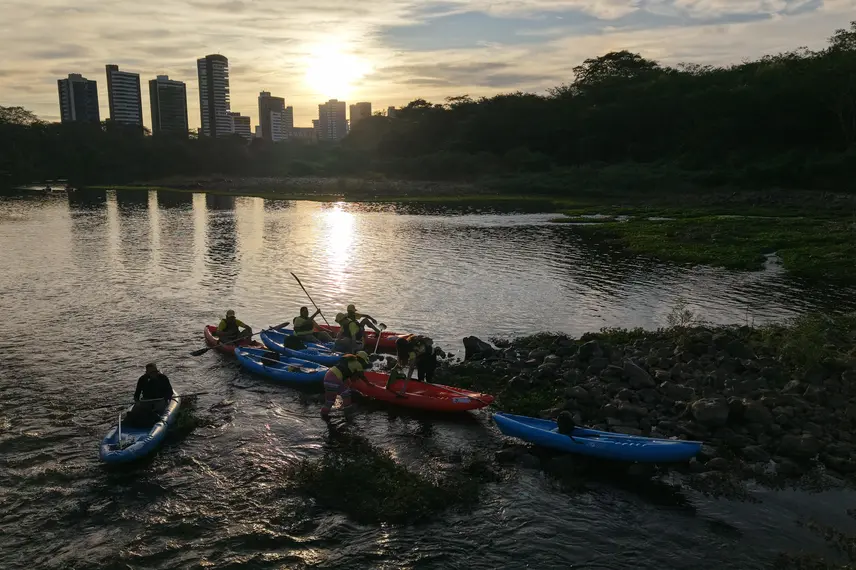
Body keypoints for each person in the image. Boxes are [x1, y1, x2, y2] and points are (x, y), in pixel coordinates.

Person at [321, 351, 371, 419]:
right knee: (331, 400)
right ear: (362, 360)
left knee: (345, 394)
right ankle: (325, 416)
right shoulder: (358, 364)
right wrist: (368, 383)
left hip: (330, 376)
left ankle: (346, 412)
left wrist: (349, 385)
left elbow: (346, 377)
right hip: (333, 379)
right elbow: (362, 376)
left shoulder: (350, 360)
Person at [124, 363, 175, 428]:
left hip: (160, 399)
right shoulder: (142, 379)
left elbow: (169, 392)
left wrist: (165, 399)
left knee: (157, 410)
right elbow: (137, 394)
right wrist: (137, 401)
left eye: (155, 372)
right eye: (151, 372)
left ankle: (155, 420)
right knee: (136, 410)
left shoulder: (163, 378)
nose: (153, 374)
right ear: (147, 373)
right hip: (146, 400)